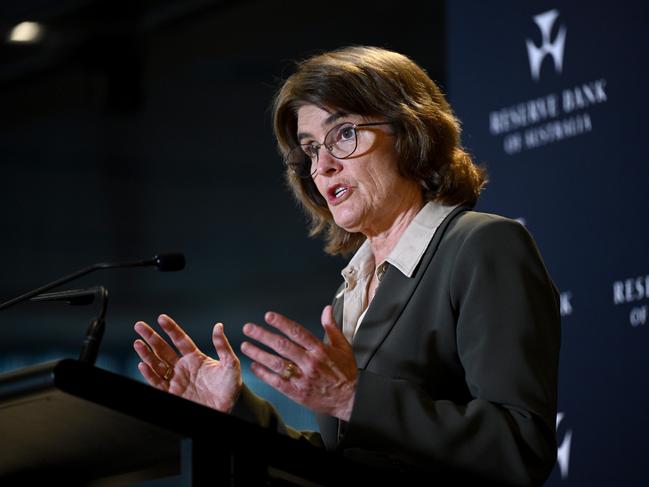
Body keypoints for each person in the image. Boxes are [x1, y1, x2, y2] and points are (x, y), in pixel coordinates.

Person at [133, 46, 561, 485]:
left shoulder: (480, 245)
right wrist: (233, 410)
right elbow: (345, 463)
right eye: (311, 149)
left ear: (410, 130)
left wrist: (354, 396)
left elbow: (519, 445)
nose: (323, 166)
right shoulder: (351, 289)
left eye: (343, 135)